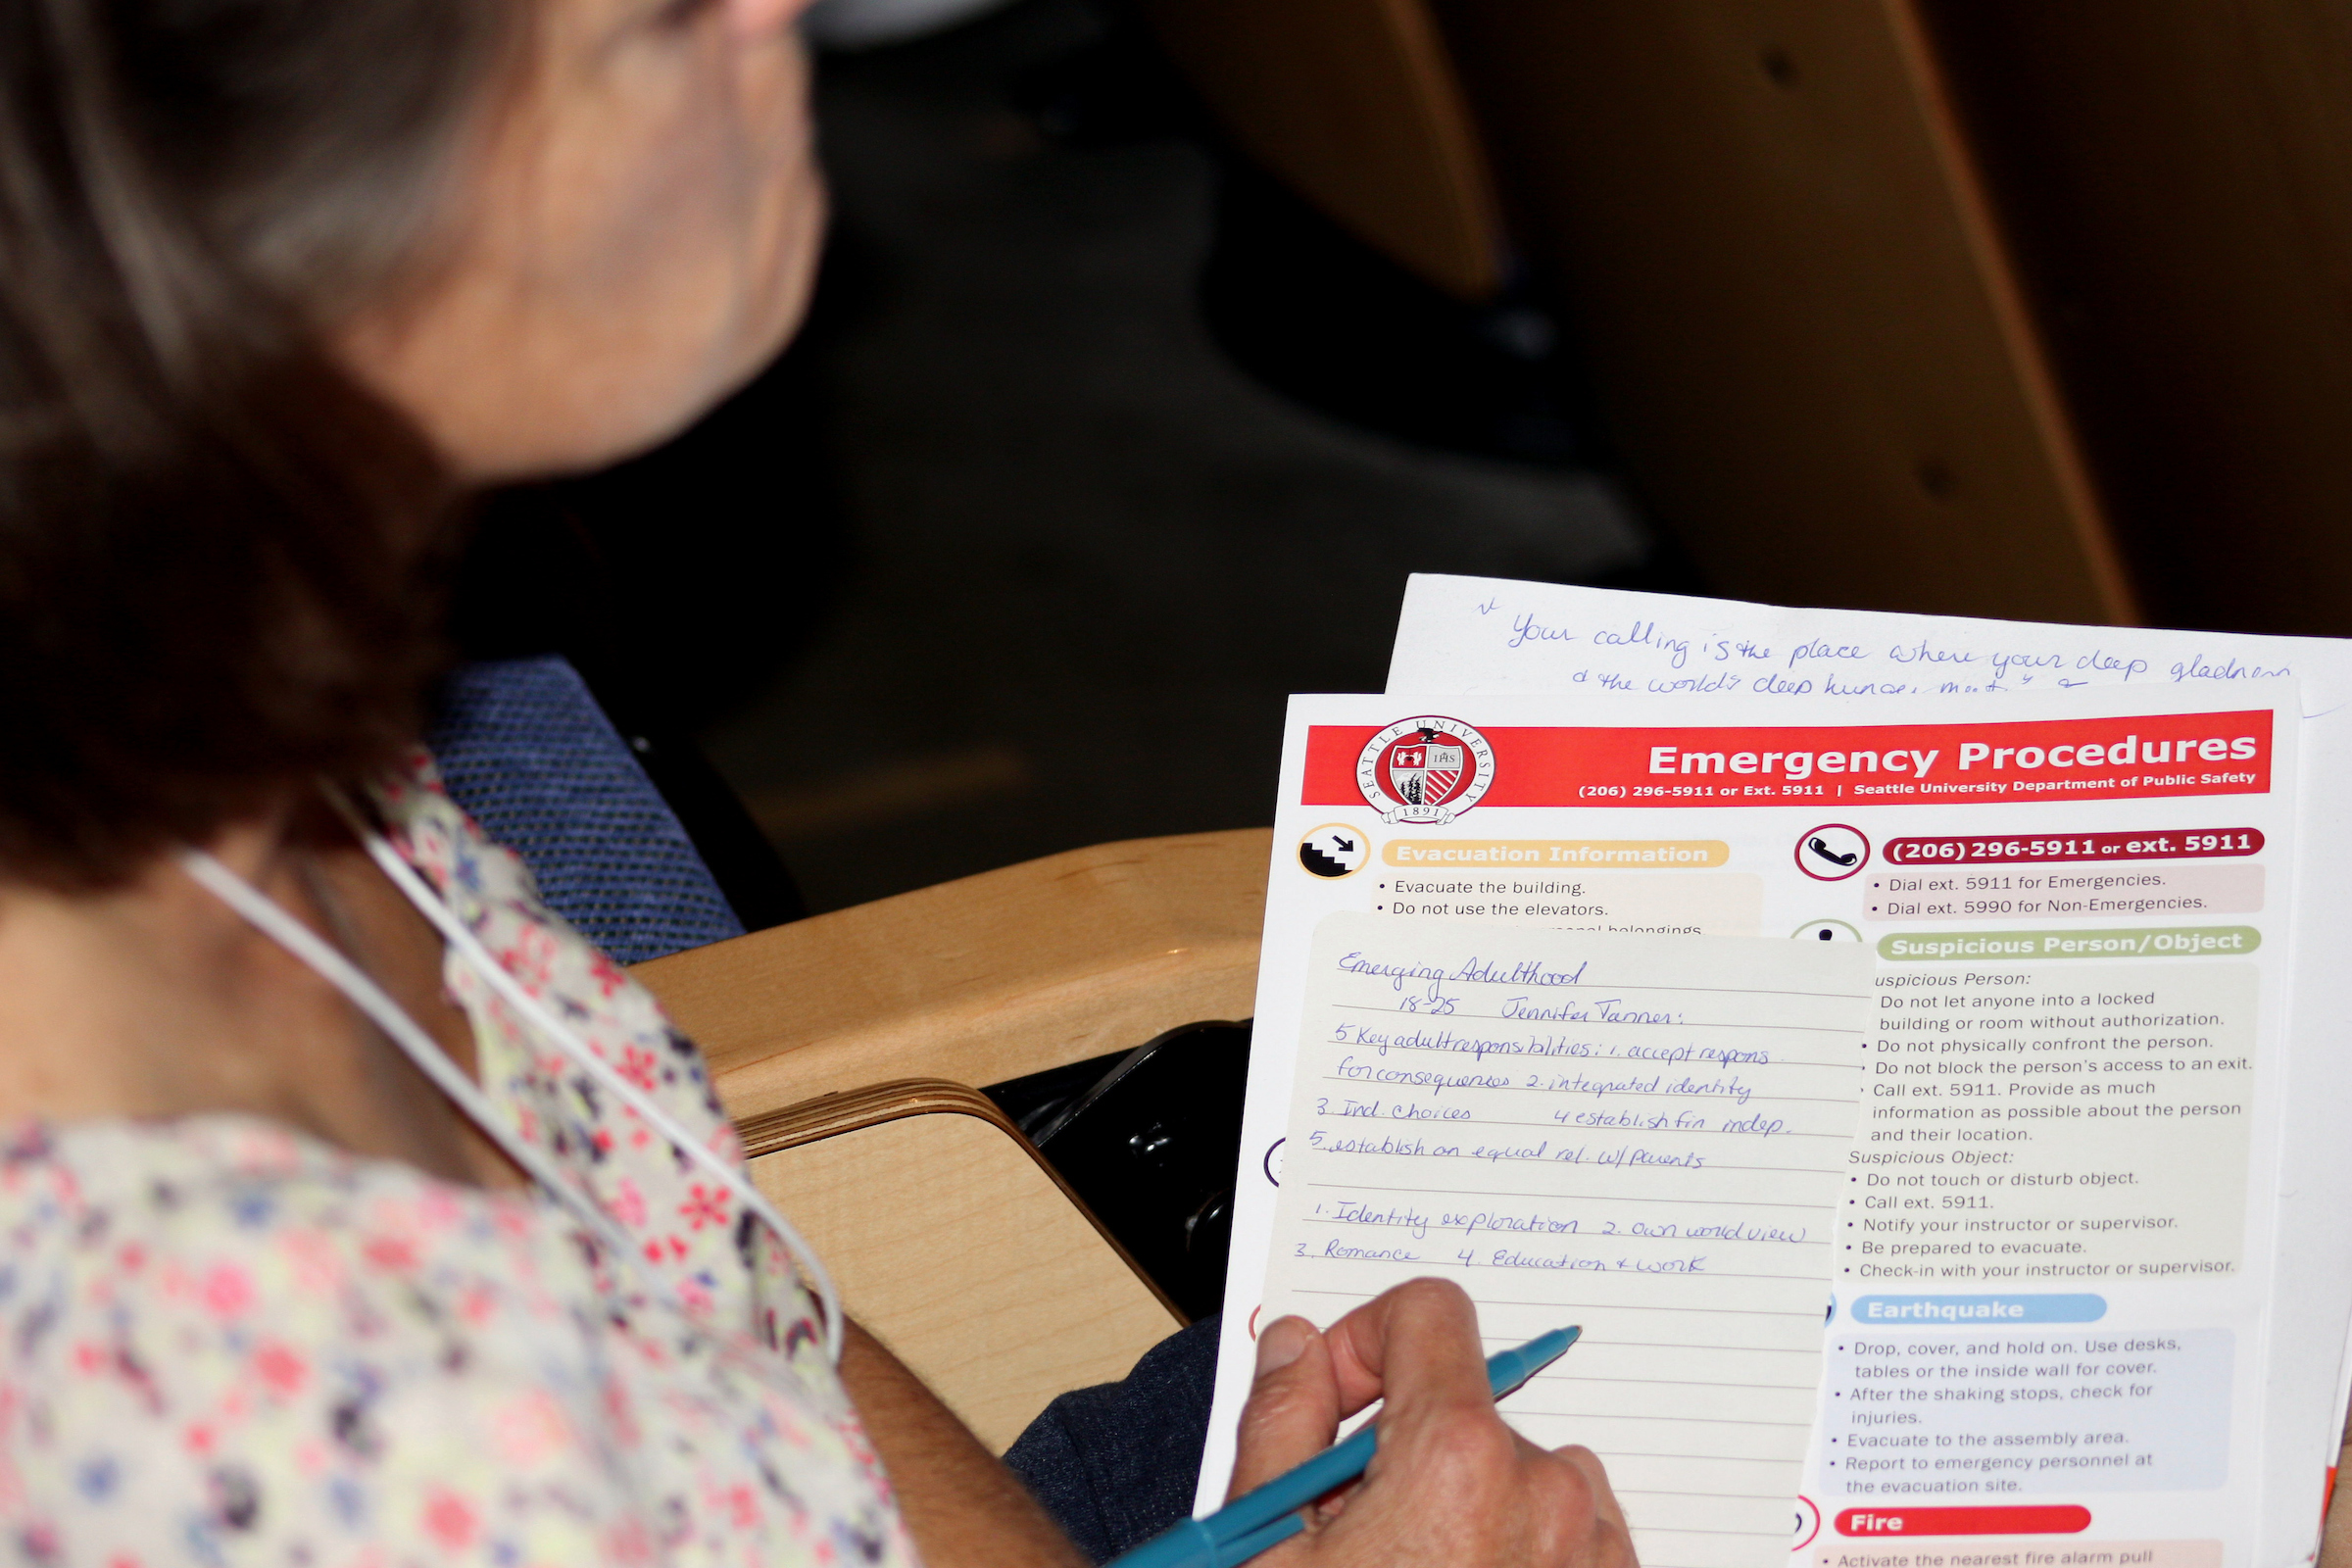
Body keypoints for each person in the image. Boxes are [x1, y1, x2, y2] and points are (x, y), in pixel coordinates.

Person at [0, 0, 1638, 1562]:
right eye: (651, 16)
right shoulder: (246, 1417)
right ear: (268, 201)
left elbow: (713, 1318)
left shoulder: (219, 742)